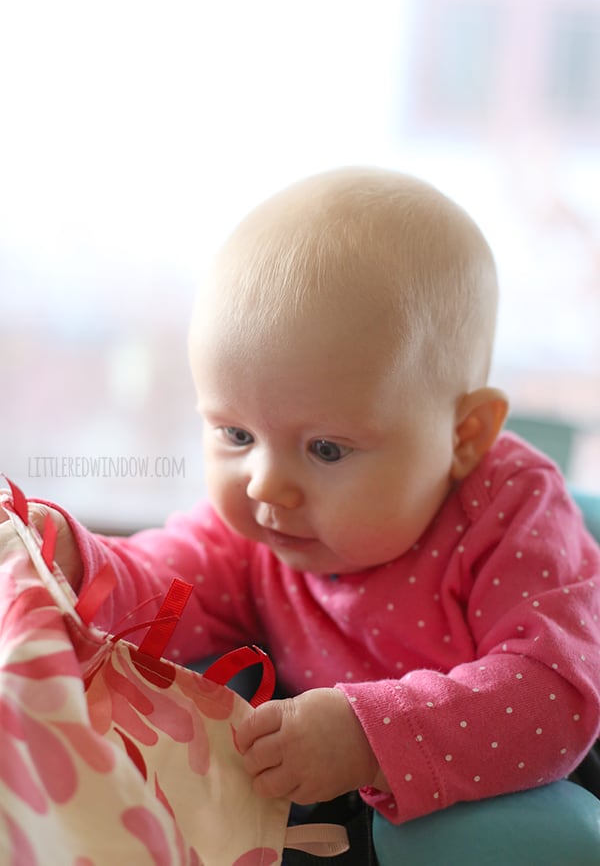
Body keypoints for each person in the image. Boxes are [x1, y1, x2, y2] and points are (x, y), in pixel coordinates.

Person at [3, 167, 600, 863]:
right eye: (235, 435)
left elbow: (555, 693)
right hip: (327, 779)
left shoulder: (513, 508)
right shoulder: (264, 528)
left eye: (324, 448)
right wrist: (66, 563)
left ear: (462, 436)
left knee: (519, 837)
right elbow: (167, 582)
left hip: (510, 768)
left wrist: (369, 735)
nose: (266, 484)